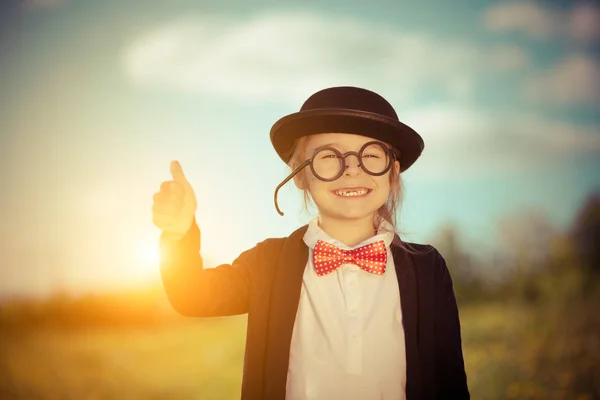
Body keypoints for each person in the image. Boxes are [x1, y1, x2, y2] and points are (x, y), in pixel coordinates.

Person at [152, 86, 470, 400]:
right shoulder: (268, 262)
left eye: (371, 155)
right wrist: (179, 236)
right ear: (300, 174)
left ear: (393, 172)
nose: (352, 169)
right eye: (329, 156)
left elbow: (450, 379)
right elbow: (192, 295)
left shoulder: (428, 268)